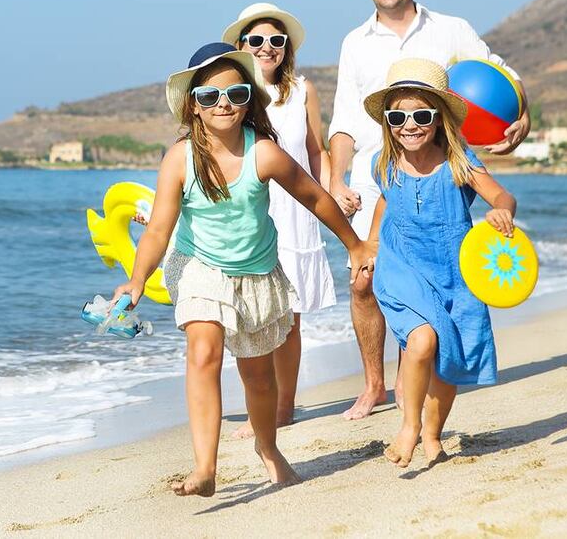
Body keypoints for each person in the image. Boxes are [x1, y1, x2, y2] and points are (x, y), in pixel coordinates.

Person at [112, 42, 374, 497]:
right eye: (210, 97)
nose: (223, 105)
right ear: (193, 106)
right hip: (199, 266)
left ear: (249, 100)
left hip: (256, 273)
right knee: (204, 351)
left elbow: (314, 197)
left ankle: (268, 449)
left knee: (257, 376)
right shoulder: (180, 159)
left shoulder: (264, 153)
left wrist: (354, 245)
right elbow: (157, 230)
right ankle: (205, 467)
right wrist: (136, 280)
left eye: (234, 94)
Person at [329, 0, 530, 419]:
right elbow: (342, 120)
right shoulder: (355, 43)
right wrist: (336, 180)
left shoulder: (451, 29)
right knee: (363, 283)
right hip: (378, 176)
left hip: (442, 174)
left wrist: (525, 115)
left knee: (423, 284)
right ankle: (376, 383)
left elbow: (501, 76)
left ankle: (411, 379)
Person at [364, 57, 516, 467]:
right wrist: (370, 245)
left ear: (439, 118)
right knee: (423, 340)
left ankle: (432, 434)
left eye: (421, 115)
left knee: (448, 359)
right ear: (388, 122)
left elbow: (502, 196)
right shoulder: (383, 162)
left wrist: (501, 212)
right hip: (403, 268)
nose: (409, 125)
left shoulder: (459, 161)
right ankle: (409, 427)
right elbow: (386, 202)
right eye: (398, 116)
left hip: (455, 272)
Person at [221, 3, 337, 438]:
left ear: (286, 48)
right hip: (246, 213)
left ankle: (284, 407)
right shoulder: (230, 93)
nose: (267, 48)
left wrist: (333, 192)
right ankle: (259, 405)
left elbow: (314, 151)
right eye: (256, 40)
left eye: (276, 40)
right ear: (241, 46)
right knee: (250, 314)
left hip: (294, 213)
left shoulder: (301, 91)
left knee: (288, 319)